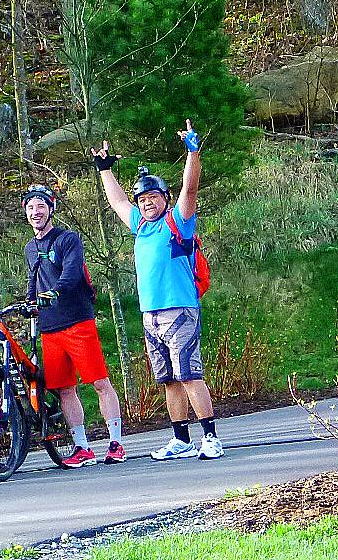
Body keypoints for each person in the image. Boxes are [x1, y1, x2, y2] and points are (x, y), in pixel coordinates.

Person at [93, 120, 222, 461]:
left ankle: (210, 437)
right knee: (168, 380)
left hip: (180, 309)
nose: (147, 202)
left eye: (153, 197)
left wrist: (193, 153)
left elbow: (190, 190)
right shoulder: (140, 226)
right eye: (143, 198)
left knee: (190, 374)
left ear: (164, 198)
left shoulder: (177, 221)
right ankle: (181, 439)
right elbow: (118, 202)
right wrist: (105, 170)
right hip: (150, 315)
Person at [21, 184, 126, 468]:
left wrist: (56, 291)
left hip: (77, 319)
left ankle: (116, 442)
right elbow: (34, 277)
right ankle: (82, 446)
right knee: (65, 388)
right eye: (30, 208)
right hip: (49, 327)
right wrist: (29, 300)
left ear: (51, 209)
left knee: (99, 382)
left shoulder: (68, 239)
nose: (35, 212)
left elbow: (71, 271)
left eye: (40, 206)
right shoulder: (31, 247)